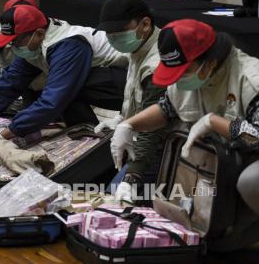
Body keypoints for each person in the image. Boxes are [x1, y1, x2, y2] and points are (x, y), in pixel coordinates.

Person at [0, 4, 128, 153]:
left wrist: (3, 136)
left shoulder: (68, 44)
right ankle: (87, 139)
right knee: (63, 88)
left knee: (68, 89)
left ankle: (94, 146)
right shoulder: (31, 46)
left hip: (129, 81)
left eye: (16, 41)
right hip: (104, 79)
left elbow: (52, 102)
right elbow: (5, 88)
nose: (13, 47)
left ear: (39, 33)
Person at [110, 19, 259, 216]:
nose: (178, 80)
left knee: (251, 180)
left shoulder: (249, 78)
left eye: (183, 72)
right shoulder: (188, 75)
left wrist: (212, 122)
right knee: (119, 188)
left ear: (210, 63)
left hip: (247, 162)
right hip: (213, 161)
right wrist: (129, 125)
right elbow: (166, 109)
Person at [93, 0, 167, 202]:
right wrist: (123, 119)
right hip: (139, 137)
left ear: (145, 23)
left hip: (160, 148)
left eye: (120, 31)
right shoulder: (138, 48)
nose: (114, 37)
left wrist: (132, 176)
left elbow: (155, 127)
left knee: (115, 201)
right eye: (109, 33)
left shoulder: (157, 62)